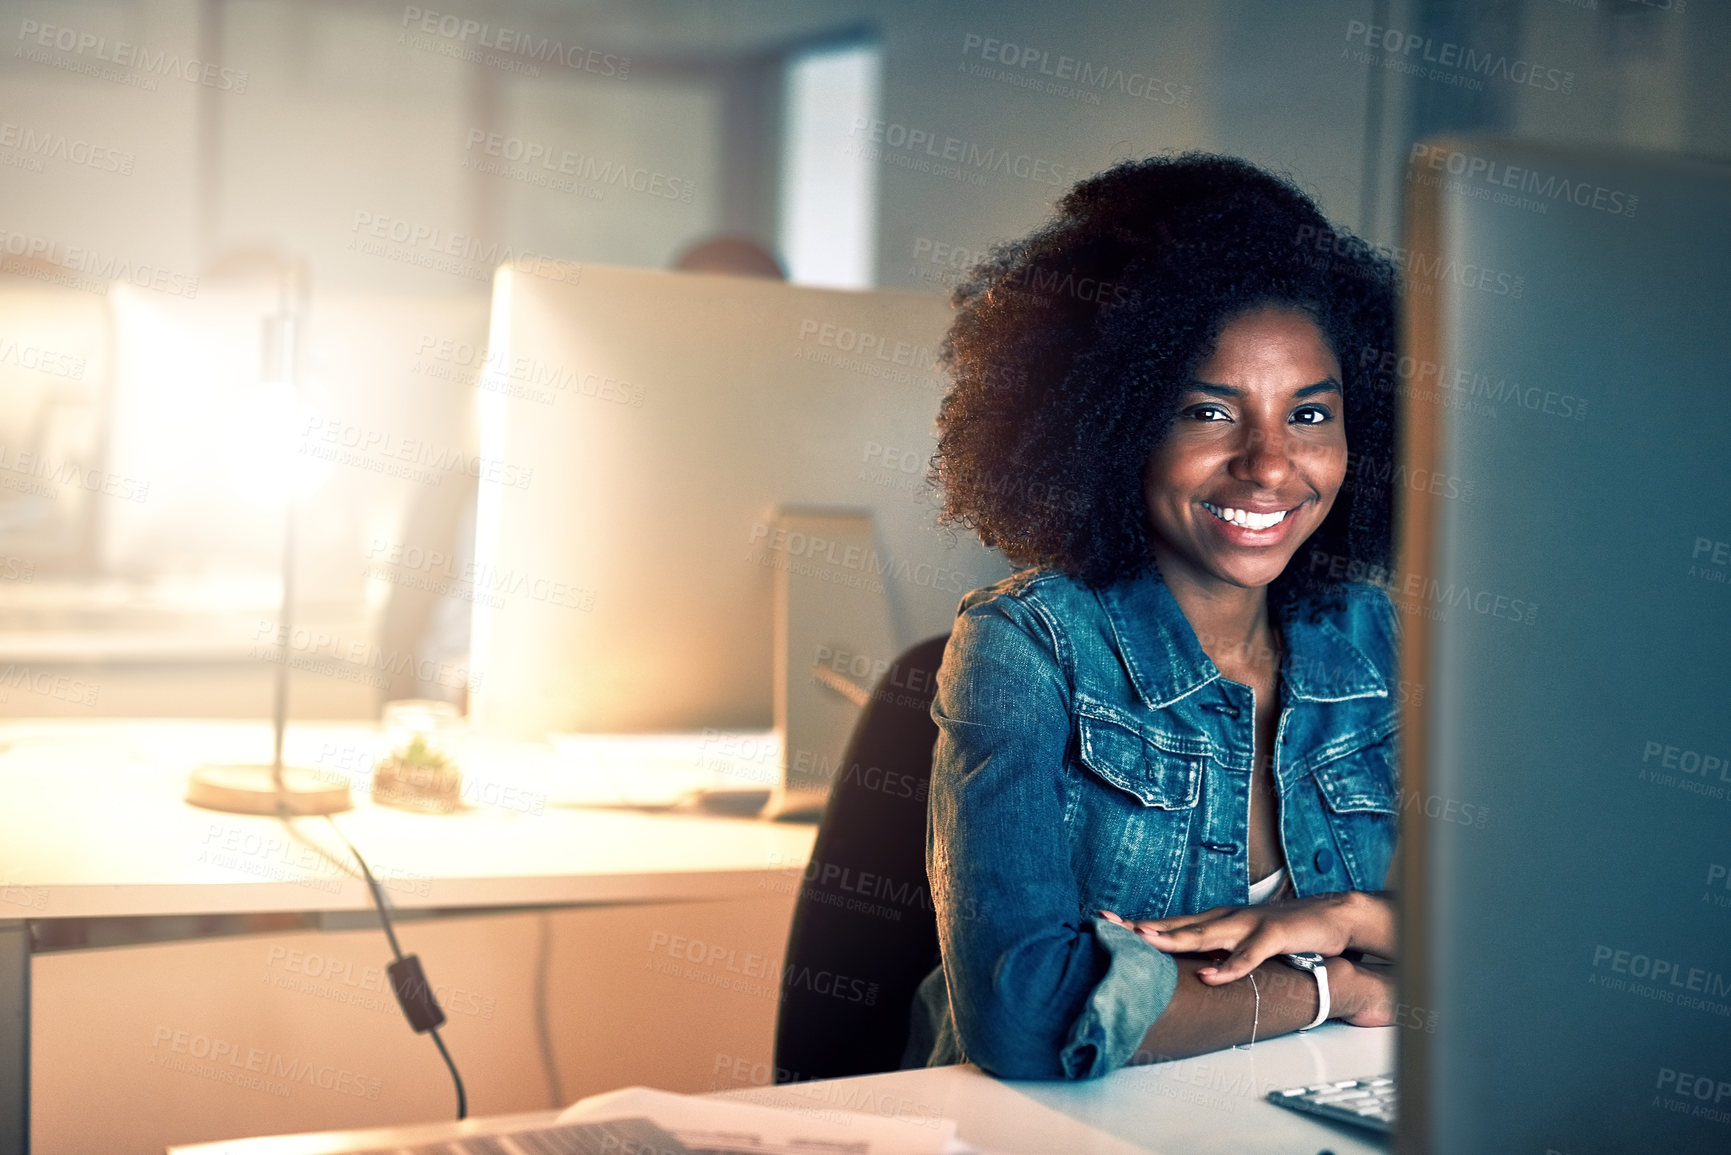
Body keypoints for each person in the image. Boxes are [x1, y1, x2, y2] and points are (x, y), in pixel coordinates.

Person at [901, 153, 1403, 1080]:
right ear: (1115, 424)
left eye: (1308, 415)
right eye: (1209, 411)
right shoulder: (1027, 646)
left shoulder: (1379, 644)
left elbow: (1518, 944)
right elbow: (1026, 1014)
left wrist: (1356, 917)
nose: (1266, 465)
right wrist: (1342, 987)